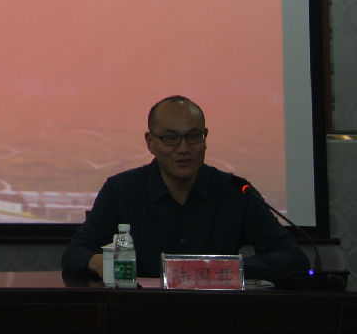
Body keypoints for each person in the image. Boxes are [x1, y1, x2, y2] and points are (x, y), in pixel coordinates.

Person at [61, 95, 309, 282]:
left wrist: (223, 270)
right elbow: (75, 254)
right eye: (171, 138)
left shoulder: (235, 191)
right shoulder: (121, 191)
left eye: (193, 137)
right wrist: (100, 262)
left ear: (205, 138)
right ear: (150, 142)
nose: (183, 149)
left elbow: (293, 259)